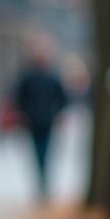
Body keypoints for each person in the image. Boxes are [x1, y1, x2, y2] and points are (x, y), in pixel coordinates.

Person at [13, 39, 68, 204]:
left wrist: (56, 113)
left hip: (48, 122)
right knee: (37, 154)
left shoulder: (52, 77)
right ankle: (41, 184)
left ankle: (45, 184)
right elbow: (18, 98)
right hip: (32, 123)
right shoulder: (28, 77)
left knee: (47, 153)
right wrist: (24, 114)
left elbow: (63, 98)